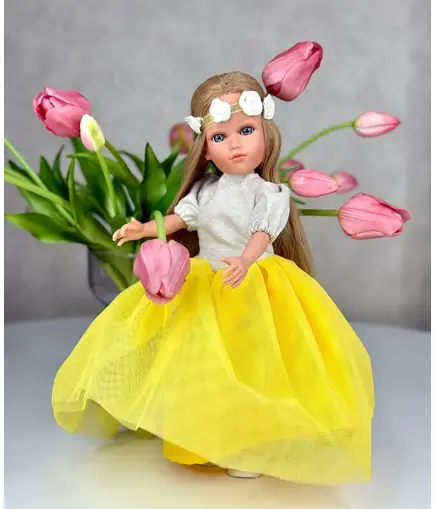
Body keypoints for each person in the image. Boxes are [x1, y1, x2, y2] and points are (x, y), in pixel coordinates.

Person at [52, 71, 374, 483]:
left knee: (255, 363)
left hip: (255, 284)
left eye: (246, 131)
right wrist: (143, 229)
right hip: (206, 284)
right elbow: (179, 219)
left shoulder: (268, 193)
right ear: (205, 148)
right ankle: (208, 438)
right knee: (203, 367)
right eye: (221, 137)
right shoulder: (204, 191)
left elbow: (263, 232)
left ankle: (252, 445)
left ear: (266, 132)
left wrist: (246, 260)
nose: (236, 144)